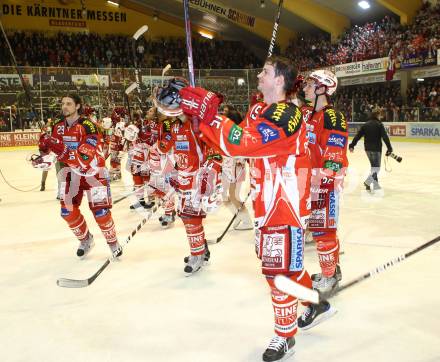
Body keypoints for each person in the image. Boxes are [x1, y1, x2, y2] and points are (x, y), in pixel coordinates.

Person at [179, 56, 323, 362]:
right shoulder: (262, 109)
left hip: (284, 204)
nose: (259, 75)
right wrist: (201, 121)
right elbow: (230, 144)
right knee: (289, 266)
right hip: (266, 202)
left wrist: (212, 116)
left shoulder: (288, 114)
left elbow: (243, 143)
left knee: (278, 273)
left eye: (265, 72)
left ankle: (285, 337)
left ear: (280, 80)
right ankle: (314, 301)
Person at [37, 94, 121, 258]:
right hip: (72, 174)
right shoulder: (58, 125)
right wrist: (43, 151)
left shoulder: (88, 126)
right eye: (63, 103)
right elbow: (51, 150)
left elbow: (83, 159)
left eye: (69, 104)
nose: (64, 107)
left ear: (77, 106)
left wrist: (58, 148)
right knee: (66, 211)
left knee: (101, 213)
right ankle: (85, 240)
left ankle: (113, 243)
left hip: (94, 174)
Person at [155, 78, 223, 274]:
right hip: (184, 178)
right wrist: (174, 172)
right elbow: (169, 149)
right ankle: (201, 250)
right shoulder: (174, 126)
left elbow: (215, 151)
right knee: (187, 217)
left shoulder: (199, 124)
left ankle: (197, 255)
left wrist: (210, 178)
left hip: (198, 177)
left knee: (190, 218)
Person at [300, 70, 348, 320]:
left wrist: (325, 180)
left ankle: (329, 276)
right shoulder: (308, 114)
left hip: (324, 183)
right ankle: (332, 270)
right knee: (317, 229)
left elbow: (336, 151)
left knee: (323, 231)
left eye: (309, 84)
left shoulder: (332, 116)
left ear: (322, 88)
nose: (305, 88)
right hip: (308, 181)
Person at [219, 104, 253, 231]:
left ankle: (247, 220)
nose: (223, 113)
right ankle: (238, 215)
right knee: (224, 196)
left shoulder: (238, 129)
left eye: (226, 111)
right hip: (227, 165)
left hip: (235, 166)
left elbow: (243, 147)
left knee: (234, 196)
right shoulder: (226, 128)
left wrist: (241, 159)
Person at [349, 110, 393, 191]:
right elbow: (385, 137)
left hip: (367, 149)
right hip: (376, 149)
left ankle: (375, 185)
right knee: (377, 168)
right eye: (380, 115)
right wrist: (389, 148)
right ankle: (368, 182)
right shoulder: (379, 124)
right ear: (377, 115)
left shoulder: (366, 124)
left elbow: (358, 135)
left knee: (374, 167)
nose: (381, 117)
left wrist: (352, 145)